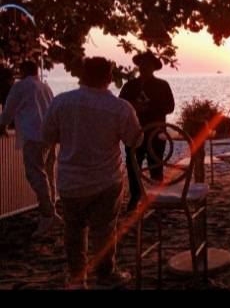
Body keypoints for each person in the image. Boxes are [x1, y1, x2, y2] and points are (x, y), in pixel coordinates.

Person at [41, 57, 141, 289]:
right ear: (109, 77)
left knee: (74, 231)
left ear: (83, 76)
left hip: (70, 180)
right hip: (106, 179)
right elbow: (134, 140)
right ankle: (105, 275)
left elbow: (47, 135)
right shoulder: (120, 108)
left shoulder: (61, 102)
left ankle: (78, 277)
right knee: (104, 230)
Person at [0, 60, 58, 237]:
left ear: (23, 70)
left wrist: (1, 125)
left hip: (33, 135)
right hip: (49, 135)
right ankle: (51, 210)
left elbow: (9, 109)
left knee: (35, 174)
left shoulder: (21, 87)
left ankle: (47, 214)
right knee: (47, 174)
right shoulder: (45, 87)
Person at [118, 51, 174, 211]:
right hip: (134, 132)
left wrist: (149, 108)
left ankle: (158, 198)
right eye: (142, 64)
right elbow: (121, 105)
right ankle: (135, 196)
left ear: (153, 67)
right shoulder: (130, 85)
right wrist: (135, 108)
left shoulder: (163, 85)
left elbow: (170, 107)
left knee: (156, 165)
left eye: (148, 65)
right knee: (132, 164)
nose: (144, 67)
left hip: (156, 132)